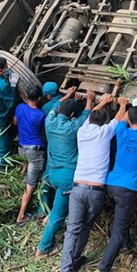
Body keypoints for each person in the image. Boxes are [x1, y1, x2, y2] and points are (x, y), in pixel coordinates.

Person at [60, 94, 127, 272]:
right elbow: (119, 118)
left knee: (72, 229)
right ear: (104, 122)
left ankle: (66, 268)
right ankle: (75, 258)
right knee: (86, 226)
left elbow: (91, 114)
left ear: (89, 120)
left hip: (77, 189)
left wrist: (102, 101)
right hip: (96, 191)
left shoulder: (82, 132)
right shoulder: (105, 132)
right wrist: (123, 104)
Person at [36, 90, 93, 259]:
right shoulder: (73, 127)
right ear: (73, 115)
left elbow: (55, 106)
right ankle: (43, 248)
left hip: (52, 172)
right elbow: (87, 115)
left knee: (59, 205)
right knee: (59, 216)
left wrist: (68, 95)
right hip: (67, 176)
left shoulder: (50, 121)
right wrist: (90, 100)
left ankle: (47, 218)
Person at [97, 101, 137, 272]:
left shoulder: (121, 131)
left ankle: (125, 246)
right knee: (118, 230)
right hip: (127, 190)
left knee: (121, 218)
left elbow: (121, 118)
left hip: (111, 184)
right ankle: (104, 267)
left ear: (128, 120)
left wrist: (125, 106)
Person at [13, 86, 50, 225]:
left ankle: (18, 194)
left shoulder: (20, 108)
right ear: (39, 98)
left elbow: (15, 121)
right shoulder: (40, 115)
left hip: (21, 148)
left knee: (25, 173)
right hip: (35, 150)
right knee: (31, 184)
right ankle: (21, 215)